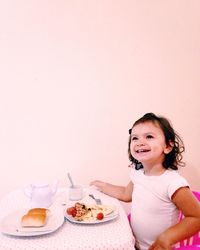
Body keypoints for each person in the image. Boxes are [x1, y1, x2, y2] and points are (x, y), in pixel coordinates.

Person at [90, 113, 200, 250]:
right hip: (134, 244)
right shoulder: (137, 173)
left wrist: (167, 237)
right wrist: (104, 186)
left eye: (149, 136)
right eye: (134, 138)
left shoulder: (174, 183)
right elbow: (126, 193)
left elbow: (196, 217)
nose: (140, 142)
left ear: (168, 146)